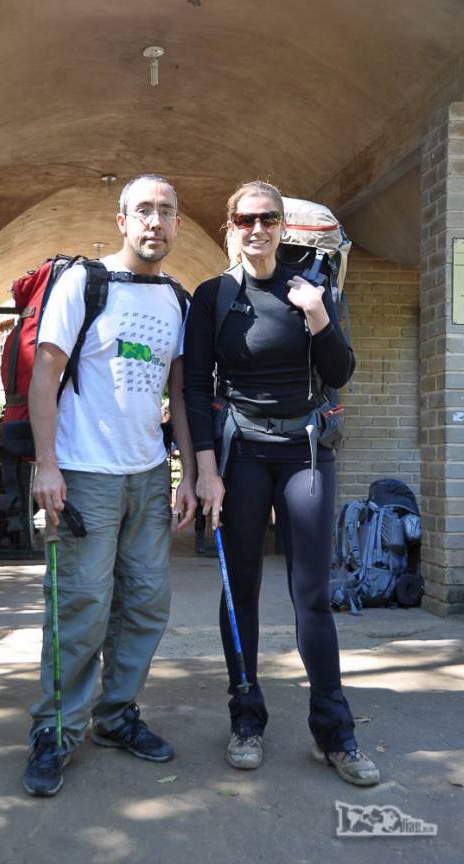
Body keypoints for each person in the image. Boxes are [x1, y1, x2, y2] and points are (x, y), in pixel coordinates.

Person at [183, 180, 380, 786]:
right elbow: (194, 387)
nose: (257, 229)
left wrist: (319, 317)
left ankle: (334, 732)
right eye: (245, 219)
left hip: (305, 454)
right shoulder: (213, 296)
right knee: (238, 589)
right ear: (230, 228)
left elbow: (340, 371)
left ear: (281, 225)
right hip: (241, 455)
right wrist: (206, 470)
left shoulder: (311, 289)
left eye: (268, 218)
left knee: (311, 594)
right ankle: (246, 717)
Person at [23, 174, 197, 797]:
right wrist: (47, 464)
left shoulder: (176, 300)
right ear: (121, 220)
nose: (155, 222)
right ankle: (55, 732)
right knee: (80, 606)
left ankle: (116, 717)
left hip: (148, 475)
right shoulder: (84, 283)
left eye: (166, 212)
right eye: (143, 211)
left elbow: (177, 391)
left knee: (146, 602)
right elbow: (45, 376)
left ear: (178, 224)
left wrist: (188, 472)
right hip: (86, 475)